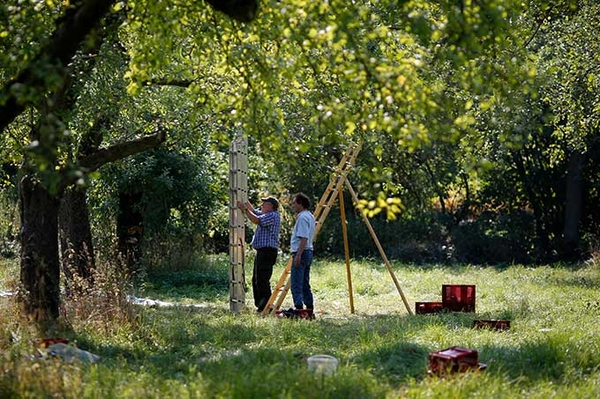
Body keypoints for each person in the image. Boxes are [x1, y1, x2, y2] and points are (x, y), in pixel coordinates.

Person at [238, 196, 281, 312]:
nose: (262, 206)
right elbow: (254, 213)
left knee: (262, 279)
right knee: (257, 279)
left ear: (271, 206)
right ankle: (261, 305)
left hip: (267, 251)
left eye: (264, 204)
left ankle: (266, 306)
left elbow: (256, 219)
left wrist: (245, 209)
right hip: (263, 251)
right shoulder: (267, 214)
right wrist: (246, 203)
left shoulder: (272, 216)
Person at [289, 192, 316, 318]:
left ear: (301, 204)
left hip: (302, 252)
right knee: (305, 282)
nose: (293, 205)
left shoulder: (302, 217)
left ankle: (299, 309)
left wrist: (298, 255)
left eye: (294, 202)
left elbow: (303, 237)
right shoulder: (309, 216)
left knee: (296, 282)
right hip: (308, 251)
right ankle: (309, 309)